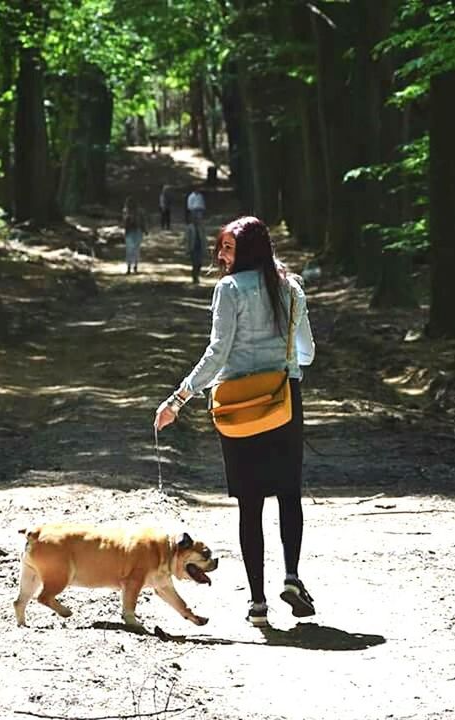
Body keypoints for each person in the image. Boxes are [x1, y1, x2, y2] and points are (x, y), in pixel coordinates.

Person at [154, 216, 317, 627]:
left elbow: (217, 353)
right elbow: (308, 353)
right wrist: (275, 360)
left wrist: (178, 398)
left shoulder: (229, 290)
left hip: (237, 406)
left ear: (247, 251)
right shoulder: (291, 289)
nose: (222, 256)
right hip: (283, 400)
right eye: (221, 248)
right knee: (288, 494)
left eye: (228, 248)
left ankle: (258, 602)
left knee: (250, 503)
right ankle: (293, 576)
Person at [122, 197, 147, 274]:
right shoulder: (140, 211)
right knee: (136, 249)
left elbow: (124, 223)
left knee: (129, 250)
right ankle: (135, 267)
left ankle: (129, 267)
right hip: (137, 231)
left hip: (130, 232)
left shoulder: (126, 211)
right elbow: (143, 222)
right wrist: (145, 230)